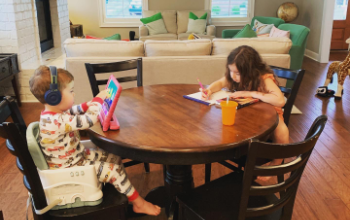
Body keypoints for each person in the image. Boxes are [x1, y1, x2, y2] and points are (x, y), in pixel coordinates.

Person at [29, 65, 161, 216]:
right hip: (72, 168)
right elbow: (90, 120)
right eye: (71, 91)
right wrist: (98, 100)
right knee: (114, 171)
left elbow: (72, 110)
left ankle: (120, 191)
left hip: (76, 158)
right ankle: (139, 203)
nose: (74, 94)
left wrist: (87, 104)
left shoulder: (51, 114)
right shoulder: (57, 121)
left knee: (113, 157)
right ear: (54, 98)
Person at [200, 46, 289, 180]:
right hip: (248, 113)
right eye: (231, 71)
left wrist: (251, 93)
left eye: (238, 73)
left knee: (281, 129)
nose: (233, 77)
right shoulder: (234, 77)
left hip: (267, 114)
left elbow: (280, 100)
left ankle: (276, 162)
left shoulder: (264, 79)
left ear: (251, 71)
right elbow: (220, 82)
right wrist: (209, 90)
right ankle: (239, 150)